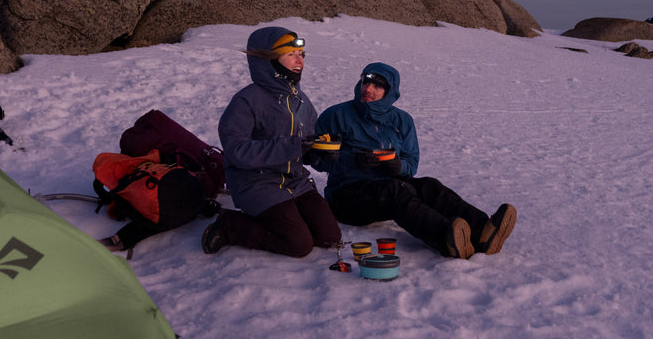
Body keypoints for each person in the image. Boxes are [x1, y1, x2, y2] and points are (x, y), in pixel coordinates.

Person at [314, 62, 516, 259]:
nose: (368, 89)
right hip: (346, 197)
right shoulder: (336, 116)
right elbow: (316, 160)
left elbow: (411, 163)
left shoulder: (402, 121)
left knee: (429, 186)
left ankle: (483, 231)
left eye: (377, 86)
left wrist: (397, 166)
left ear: (389, 91)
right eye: (365, 82)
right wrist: (353, 161)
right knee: (397, 192)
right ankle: (447, 238)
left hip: (385, 184)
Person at [202, 27, 341, 258]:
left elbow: (306, 149)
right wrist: (293, 146)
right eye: (291, 55)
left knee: (329, 236)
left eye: (302, 54)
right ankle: (230, 226)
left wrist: (322, 154)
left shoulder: (301, 100)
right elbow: (237, 151)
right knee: (299, 244)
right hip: (256, 183)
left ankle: (287, 214)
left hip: (295, 182)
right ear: (268, 60)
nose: (300, 61)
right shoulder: (246, 101)